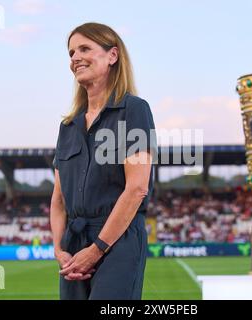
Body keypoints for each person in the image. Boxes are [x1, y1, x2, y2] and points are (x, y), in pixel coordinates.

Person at [50, 22, 157, 300]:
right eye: (71, 52)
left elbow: (137, 189)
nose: (75, 57)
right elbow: (58, 200)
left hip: (118, 239)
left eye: (85, 48)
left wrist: (97, 248)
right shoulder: (68, 126)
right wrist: (59, 250)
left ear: (112, 55)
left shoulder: (134, 110)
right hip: (74, 242)